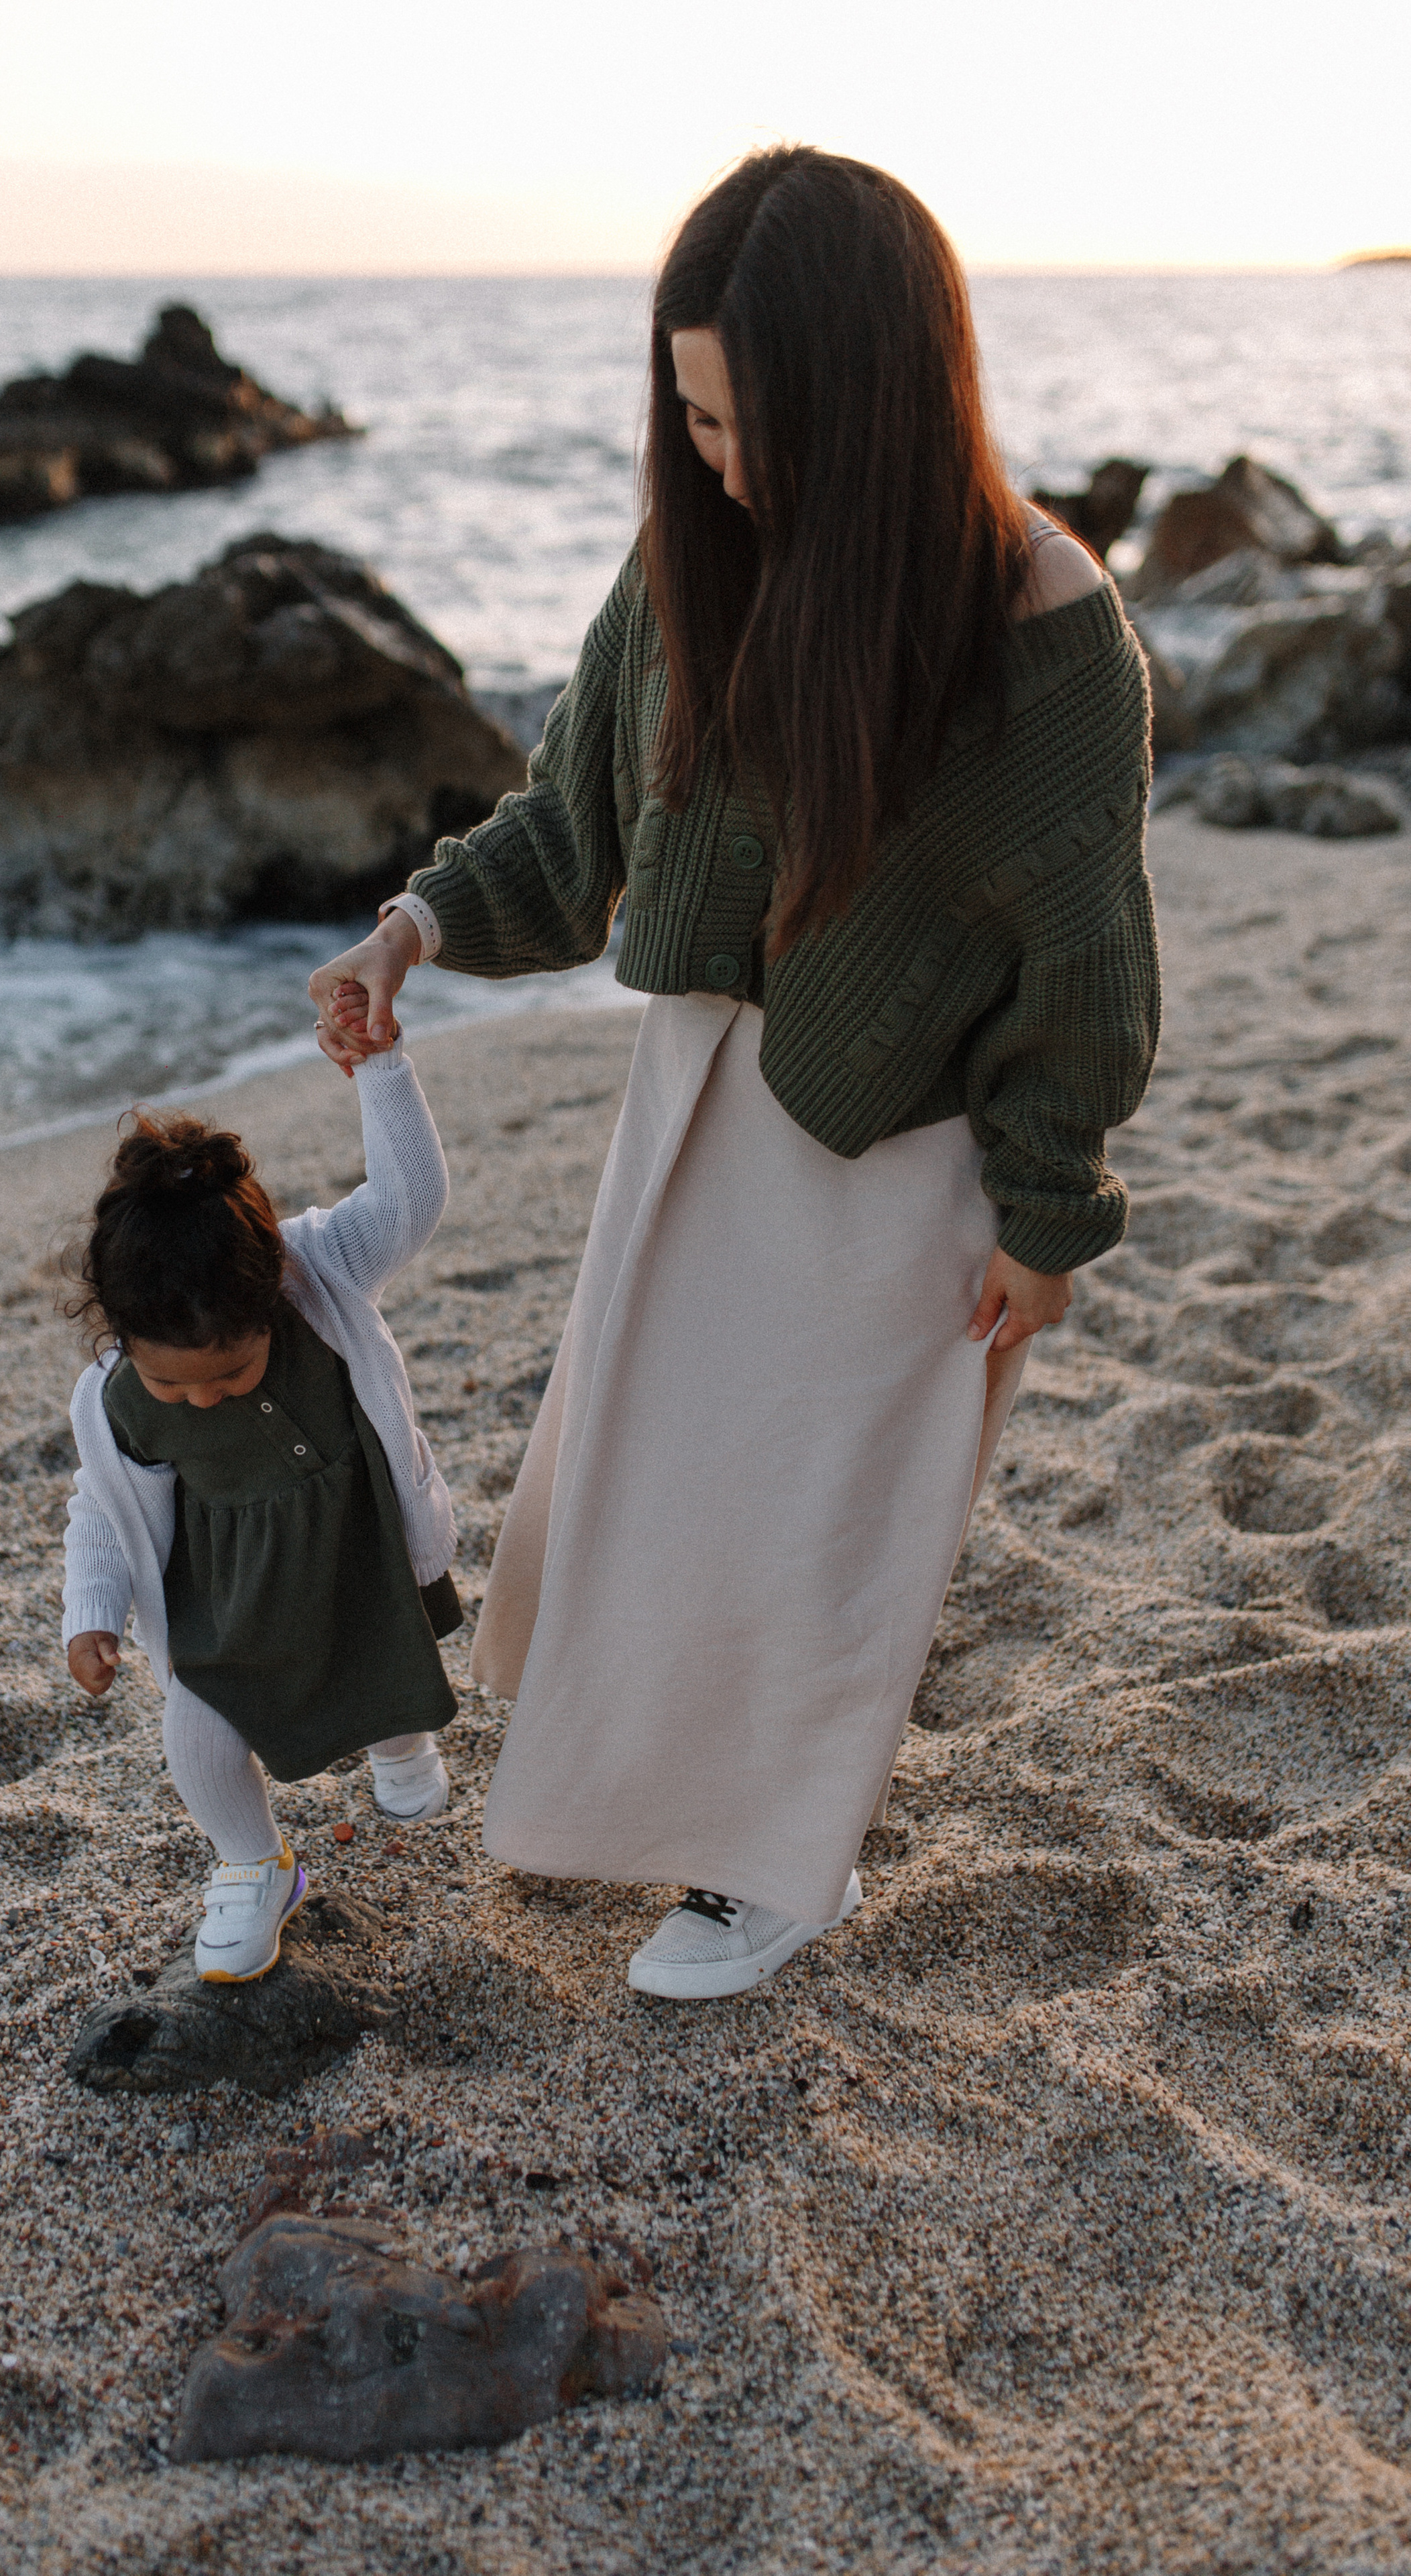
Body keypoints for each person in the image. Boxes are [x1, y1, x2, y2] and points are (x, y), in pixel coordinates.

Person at [310, 148, 1158, 2002]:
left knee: (821, 1523)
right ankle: (687, 1801)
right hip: (696, 1101)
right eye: (688, 415)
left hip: (902, 1154)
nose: (715, 460)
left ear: (875, 398)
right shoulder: (695, 558)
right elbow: (573, 821)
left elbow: (1080, 964)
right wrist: (411, 935)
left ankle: (779, 1869)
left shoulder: (1044, 630)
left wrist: (1050, 1216)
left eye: (749, 421)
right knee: (662, 1477)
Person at [60, 1015, 461, 1982]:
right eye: (175, 1384)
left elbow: (412, 1198)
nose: (202, 1397)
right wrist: (91, 1614)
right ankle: (253, 1866)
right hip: (224, 1604)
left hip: (352, 1551)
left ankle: (401, 1758)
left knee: (386, 1675)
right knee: (197, 1738)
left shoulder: (321, 1270)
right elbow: (100, 1510)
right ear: (118, 1332)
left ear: (272, 1289)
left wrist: (381, 1068)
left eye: (229, 1373)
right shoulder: (118, 1398)